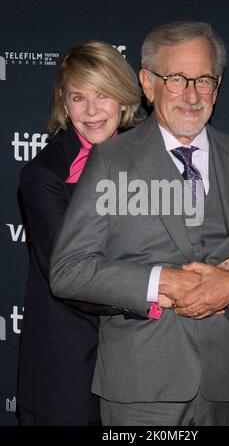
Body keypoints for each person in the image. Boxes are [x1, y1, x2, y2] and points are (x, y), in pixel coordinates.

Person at [50, 22, 229, 426]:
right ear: (148, 84)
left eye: (204, 80)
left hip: (224, 385)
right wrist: (161, 281)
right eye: (177, 79)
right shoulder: (111, 160)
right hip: (139, 385)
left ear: (217, 87)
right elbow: (69, 270)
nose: (192, 94)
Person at [17, 40, 141, 426]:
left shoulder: (155, 164)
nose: (91, 111)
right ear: (63, 101)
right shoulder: (44, 175)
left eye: (103, 95)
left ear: (124, 98)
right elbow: (69, 275)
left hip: (142, 369)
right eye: (78, 97)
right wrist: (157, 295)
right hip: (66, 373)